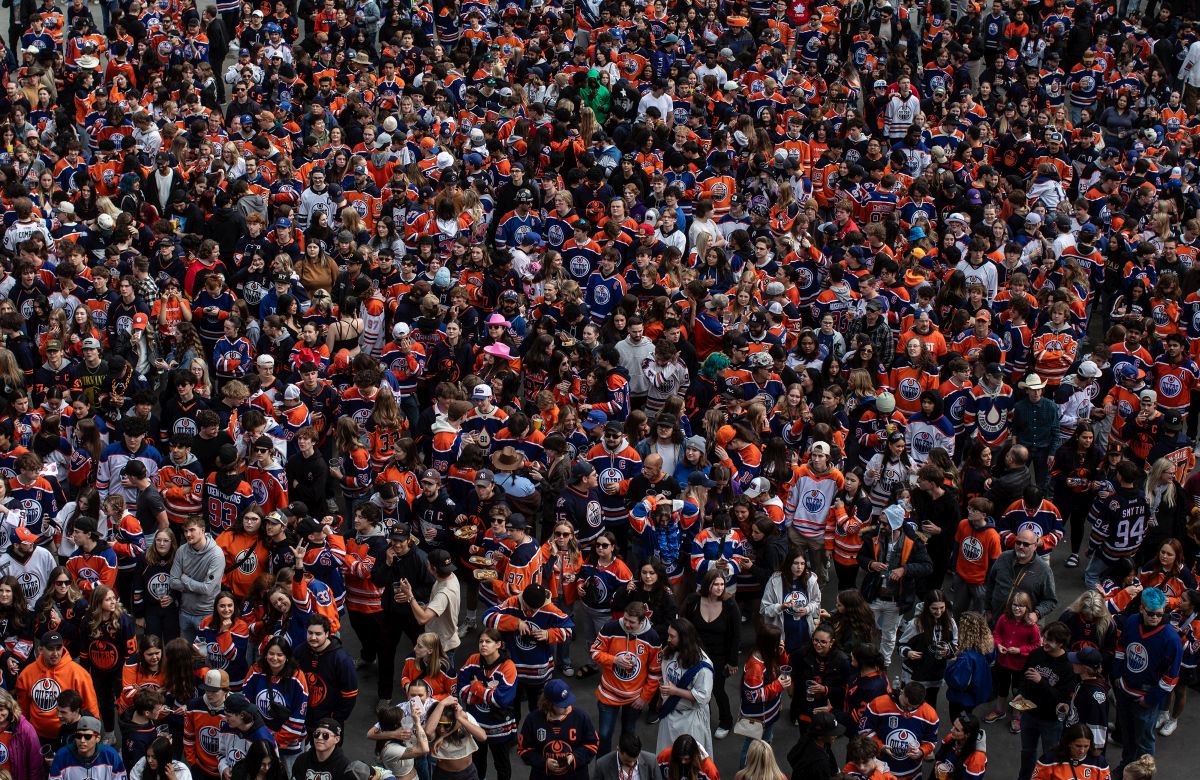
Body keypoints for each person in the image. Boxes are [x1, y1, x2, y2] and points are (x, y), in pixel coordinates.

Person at [1112, 588, 1182, 770]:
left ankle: (1144, 774)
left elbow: (1171, 678)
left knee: (1144, 741)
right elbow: (1121, 648)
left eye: (1159, 614)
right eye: (1150, 613)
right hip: (1124, 690)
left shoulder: (1171, 639)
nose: (1155, 618)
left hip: (1145, 698)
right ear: (1142, 609)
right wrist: (1117, 675)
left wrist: (1150, 699)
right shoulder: (1132, 622)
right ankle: (1126, 767)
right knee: (1127, 737)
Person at [859, 502, 933, 665]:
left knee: (889, 635)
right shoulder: (873, 537)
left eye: (885, 523)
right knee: (867, 632)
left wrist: (904, 570)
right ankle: (867, 662)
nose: (881, 526)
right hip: (874, 595)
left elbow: (927, 566)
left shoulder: (913, 542)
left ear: (895, 524)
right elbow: (861, 558)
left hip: (896, 599)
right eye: (880, 522)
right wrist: (871, 564)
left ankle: (884, 664)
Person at [588, 600, 661, 756]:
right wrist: (614, 660)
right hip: (608, 694)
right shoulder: (610, 627)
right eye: (625, 619)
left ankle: (625, 767)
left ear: (642, 621)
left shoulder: (652, 637)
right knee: (605, 735)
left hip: (634, 699)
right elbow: (594, 652)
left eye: (631, 622)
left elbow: (655, 672)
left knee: (628, 735)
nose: (626, 624)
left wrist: (644, 698)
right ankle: (603, 769)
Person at [1015, 622, 1079, 780]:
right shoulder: (1036, 654)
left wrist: (1041, 681)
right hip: (1029, 714)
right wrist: (1022, 693)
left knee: (1051, 758)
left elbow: (1062, 698)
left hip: (1051, 721)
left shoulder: (1068, 666)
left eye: (1050, 640)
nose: (1044, 642)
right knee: (1027, 753)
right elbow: (1024, 677)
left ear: (1061, 644)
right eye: (1044, 637)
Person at [15, 630, 99, 742]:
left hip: (70, 737)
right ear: (40, 650)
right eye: (50, 649)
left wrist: (93, 734)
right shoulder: (27, 673)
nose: (55, 653)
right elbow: (22, 709)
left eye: (59, 648)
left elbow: (91, 708)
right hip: (35, 736)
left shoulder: (79, 673)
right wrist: (22, 731)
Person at [516, 679, 599, 780]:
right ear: (549, 704)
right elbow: (523, 749)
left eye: (568, 701)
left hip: (576, 776)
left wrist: (575, 757)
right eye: (562, 705)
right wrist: (544, 763)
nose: (567, 706)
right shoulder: (532, 720)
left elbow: (592, 744)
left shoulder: (581, 717)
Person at [656, 618, 714, 754]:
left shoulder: (702, 666)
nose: (668, 639)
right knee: (666, 758)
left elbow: (703, 697)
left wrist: (675, 691)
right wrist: (661, 699)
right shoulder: (670, 652)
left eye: (672, 636)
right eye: (668, 635)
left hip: (690, 721)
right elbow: (666, 678)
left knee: (688, 759)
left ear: (684, 638)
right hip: (669, 715)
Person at [293, 614, 358, 729]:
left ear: (327, 634)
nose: (313, 637)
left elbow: (350, 694)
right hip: (302, 718)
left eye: (318, 634)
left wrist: (335, 719)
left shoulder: (342, 659)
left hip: (328, 723)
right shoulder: (300, 651)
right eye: (310, 633)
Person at [169, 515, 225, 642]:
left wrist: (185, 579)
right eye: (185, 531)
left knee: (204, 656)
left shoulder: (216, 554)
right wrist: (193, 585)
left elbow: (207, 589)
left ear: (202, 530)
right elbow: (173, 582)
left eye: (192, 530)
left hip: (207, 613)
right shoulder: (182, 551)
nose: (188, 534)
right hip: (185, 611)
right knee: (185, 655)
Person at [48, 714, 125, 780]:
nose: (82, 740)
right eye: (78, 736)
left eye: (88, 736)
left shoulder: (110, 755)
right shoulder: (61, 756)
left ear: (97, 738)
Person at [1030, 723, 1111, 780]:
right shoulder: (1049, 760)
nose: (1082, 751)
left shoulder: (1100, 763)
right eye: (1078, 746)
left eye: (1086, 746)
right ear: (1069, 743)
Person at [784, 711, 843, 780]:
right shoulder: (820, 764)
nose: (835, 735)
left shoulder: (808, 737)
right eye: (832, 733)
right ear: (820, 736)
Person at [592, 732, 657, 780]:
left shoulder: (651, 761)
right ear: (618, 749)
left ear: (639, 752)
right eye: (627, 761)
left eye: (635, 760)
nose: (631, 764)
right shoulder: (602, 765)